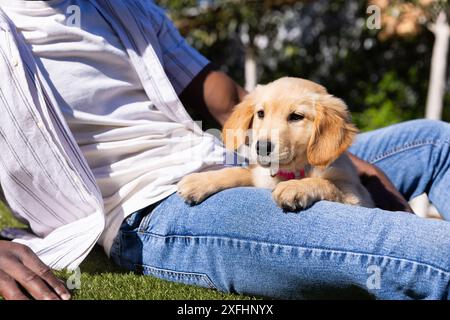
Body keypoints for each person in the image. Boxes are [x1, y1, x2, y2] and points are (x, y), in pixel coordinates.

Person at [0, 0, 449, 300]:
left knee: (435, 142)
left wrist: (336, 158)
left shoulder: (122, 7)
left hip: (246, 161)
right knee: (410, 248)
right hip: (157, 207)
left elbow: (237, 102)